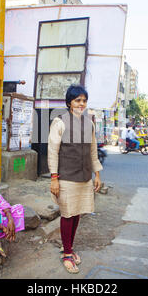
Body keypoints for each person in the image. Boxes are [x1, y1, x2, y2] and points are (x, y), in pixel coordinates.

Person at [48, 85, 102, 274]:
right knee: (67, 214)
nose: (81, 104)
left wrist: (97, 174)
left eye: (84, 100)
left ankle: (68, 248)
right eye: (77, 100)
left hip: (85, 177)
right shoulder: (59, 122)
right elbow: (52, 152)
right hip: (66, 178)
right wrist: (54, 178)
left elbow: (93, 151)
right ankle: (67, 253)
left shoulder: (90, 123)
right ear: (69, 102)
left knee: (77, 213)